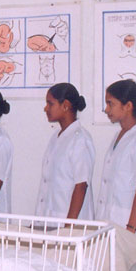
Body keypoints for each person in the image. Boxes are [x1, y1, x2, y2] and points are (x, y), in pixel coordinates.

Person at [97, 79, 136, 243]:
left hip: (129, 227)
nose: (106, 109)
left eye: (110, 104)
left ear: (128, 106)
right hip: (109, 221)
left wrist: (130, 229)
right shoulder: (119, 136)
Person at [35, 83, 95, 220]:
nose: (46, 108)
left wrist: (69, 226)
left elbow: (81, 186)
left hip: (70, 222)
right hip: (50, 218)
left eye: (50, 104)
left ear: (65, 105)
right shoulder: (56, 137)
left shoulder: (80, 139)